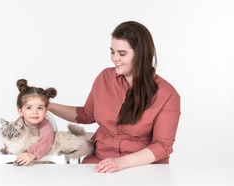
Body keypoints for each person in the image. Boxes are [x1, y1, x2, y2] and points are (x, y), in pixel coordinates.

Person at [48, 21, 181, 173]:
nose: (114, 58)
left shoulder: (167, 94)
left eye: (122, 54)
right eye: (112, 52)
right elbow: (87, 114)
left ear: (141, 55)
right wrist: (48, 105)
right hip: (99, 162)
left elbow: (162, 146)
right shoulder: (104, 78)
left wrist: (121, 163)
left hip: (142, 169)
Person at [15, 79, 57, 165]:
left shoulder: (45, 126)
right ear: (20, 111)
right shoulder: (16, 125)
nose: (35, 112)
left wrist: (32, 154)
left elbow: (46, 142)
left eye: (40, 108)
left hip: (41, 160)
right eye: (29, 108)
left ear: (45, 111)